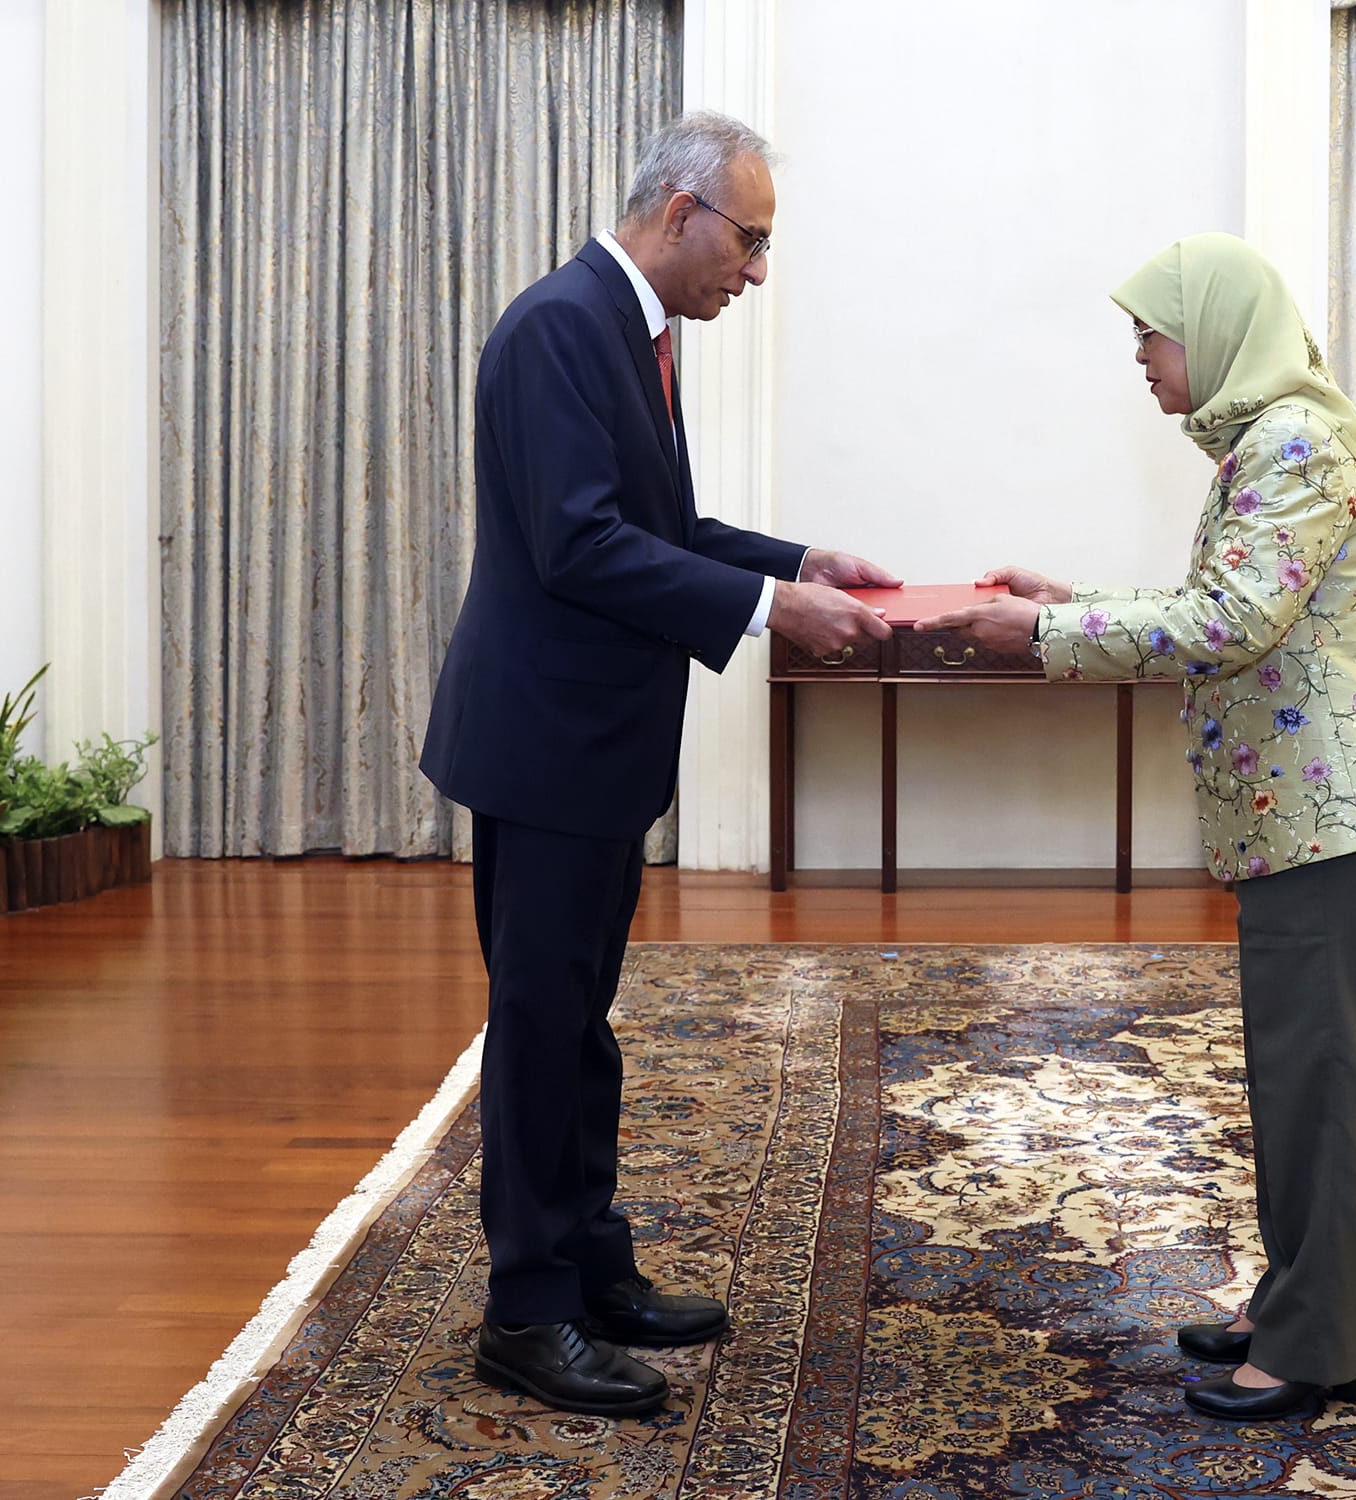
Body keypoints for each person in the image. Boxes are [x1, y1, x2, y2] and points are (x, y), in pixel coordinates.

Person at [420, 111, 899, 1419]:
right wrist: (769, 611)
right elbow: (579, 546)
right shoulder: (558, 328)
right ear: (683, 214)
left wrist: (795, 562)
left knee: (580, 1025)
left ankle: (588, 1267)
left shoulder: (632, 333)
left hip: (595, 747)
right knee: (541, 1027)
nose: (757, 271)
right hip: (546, 747)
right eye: (750, 241)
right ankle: (528, 1314)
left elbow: (664, 528)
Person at [918, 233, 1356, 1423]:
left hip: (1329, 813)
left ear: (1215, 329)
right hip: (1306, 812)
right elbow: (1224, 604)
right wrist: (1072, 603)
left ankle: (1318, 1347)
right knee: (1294, 1072)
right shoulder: (1274, 438)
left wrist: (1045, 640)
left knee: (1321, 1080)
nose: (1142, 358)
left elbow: (1231, 623)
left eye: (1151, 332)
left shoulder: (1293, 443)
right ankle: (1294, 1298)